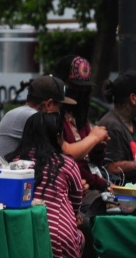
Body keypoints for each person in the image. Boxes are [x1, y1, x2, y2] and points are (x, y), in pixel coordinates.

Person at [4, 112, 91, 258]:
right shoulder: (67, 164)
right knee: (83, 234)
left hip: (13, 242)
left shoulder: (9, 162)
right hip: (55, 246)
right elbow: (75, 206)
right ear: (58, 137)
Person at [0, 75, 109, 160]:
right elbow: (67, 153)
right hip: (6, 183)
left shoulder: (22, 113)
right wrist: (94, 137)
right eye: (60, 107)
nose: (60, 112)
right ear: (49, 104)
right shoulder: (32, 117)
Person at [54, 55, 110, 193]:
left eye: (83, 90)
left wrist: (97, 148)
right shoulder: (53, 118)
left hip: (87, 185)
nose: (79, 94)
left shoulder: (79, 116)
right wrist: (103, 184)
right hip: (69, 188)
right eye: (74, 88)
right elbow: (67, 158)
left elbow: (91, 162)